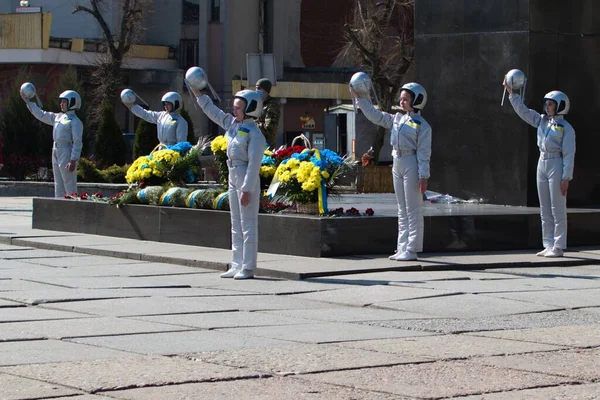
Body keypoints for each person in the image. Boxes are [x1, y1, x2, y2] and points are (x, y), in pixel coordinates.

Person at [191, 87, 265, 279]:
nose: (235, 111)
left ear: (250, 109)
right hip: (232, 173)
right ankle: (236, 263)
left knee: (247, 223)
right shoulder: (233, 125)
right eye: (234, 107)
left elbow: (254, 164)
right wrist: (200, 96)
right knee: (235, 223)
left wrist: (247, 189)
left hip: (245, 176)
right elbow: (214, 113)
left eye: (239, 108)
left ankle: (248, 267)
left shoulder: (255, 134)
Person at [353, 82, 432, 261]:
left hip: (411, 162)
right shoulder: (397, 119)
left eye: (406, 99)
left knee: (413, 209)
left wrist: (423, 176)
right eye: (401, 99)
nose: (402, 102)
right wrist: (361, 100)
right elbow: (377, 116)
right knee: (401, 209)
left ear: (417, 100)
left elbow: (424, 152)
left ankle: (412, 249)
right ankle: (401, 247)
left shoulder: (422, 126)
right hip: (397, 162)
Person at [505, 78, 576, 258]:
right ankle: (548, 243)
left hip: (556, 163)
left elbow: (569, 154)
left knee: (557, 207)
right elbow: (524, 112)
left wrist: (566, 177)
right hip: (542, 161)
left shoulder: (566, 128)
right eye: (547, 104)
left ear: (560, 105)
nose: (548, 107)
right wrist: (512, 95)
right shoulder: (542, 121)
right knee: (544, 207)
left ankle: (558, 246)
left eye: (551, 104)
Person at [22, 90, 83, 198]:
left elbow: (77, 142)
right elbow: (42, 115)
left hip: (66, 150)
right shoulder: (58, 117)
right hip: (55, 149)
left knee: (69, 182)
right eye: (61, 102)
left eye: (64, 102)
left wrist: (73, 160)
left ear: (72, 102)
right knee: (58, 182)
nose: (61, 104)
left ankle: (73, 206)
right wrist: (28, 102)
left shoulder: (75, 121)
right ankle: (59, 205)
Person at [123, 91, 188, 147]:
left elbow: (181, 143)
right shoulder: (161, 115)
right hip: (161, 150)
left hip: (173, 152)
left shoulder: (181, 121)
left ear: (176, 104)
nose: (166, 106)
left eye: (168, 104)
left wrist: (176, 154)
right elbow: (146, 114)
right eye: (165, 104)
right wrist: (132, 106)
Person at [255, 78, 281, 148]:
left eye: (259, 88)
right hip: (255, 142)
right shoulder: (258, 103)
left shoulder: (272, 105)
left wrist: (252, 124)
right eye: (256, 88)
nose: (256, 91)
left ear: (265, 90)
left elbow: (269, 129)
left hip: (266, 146)